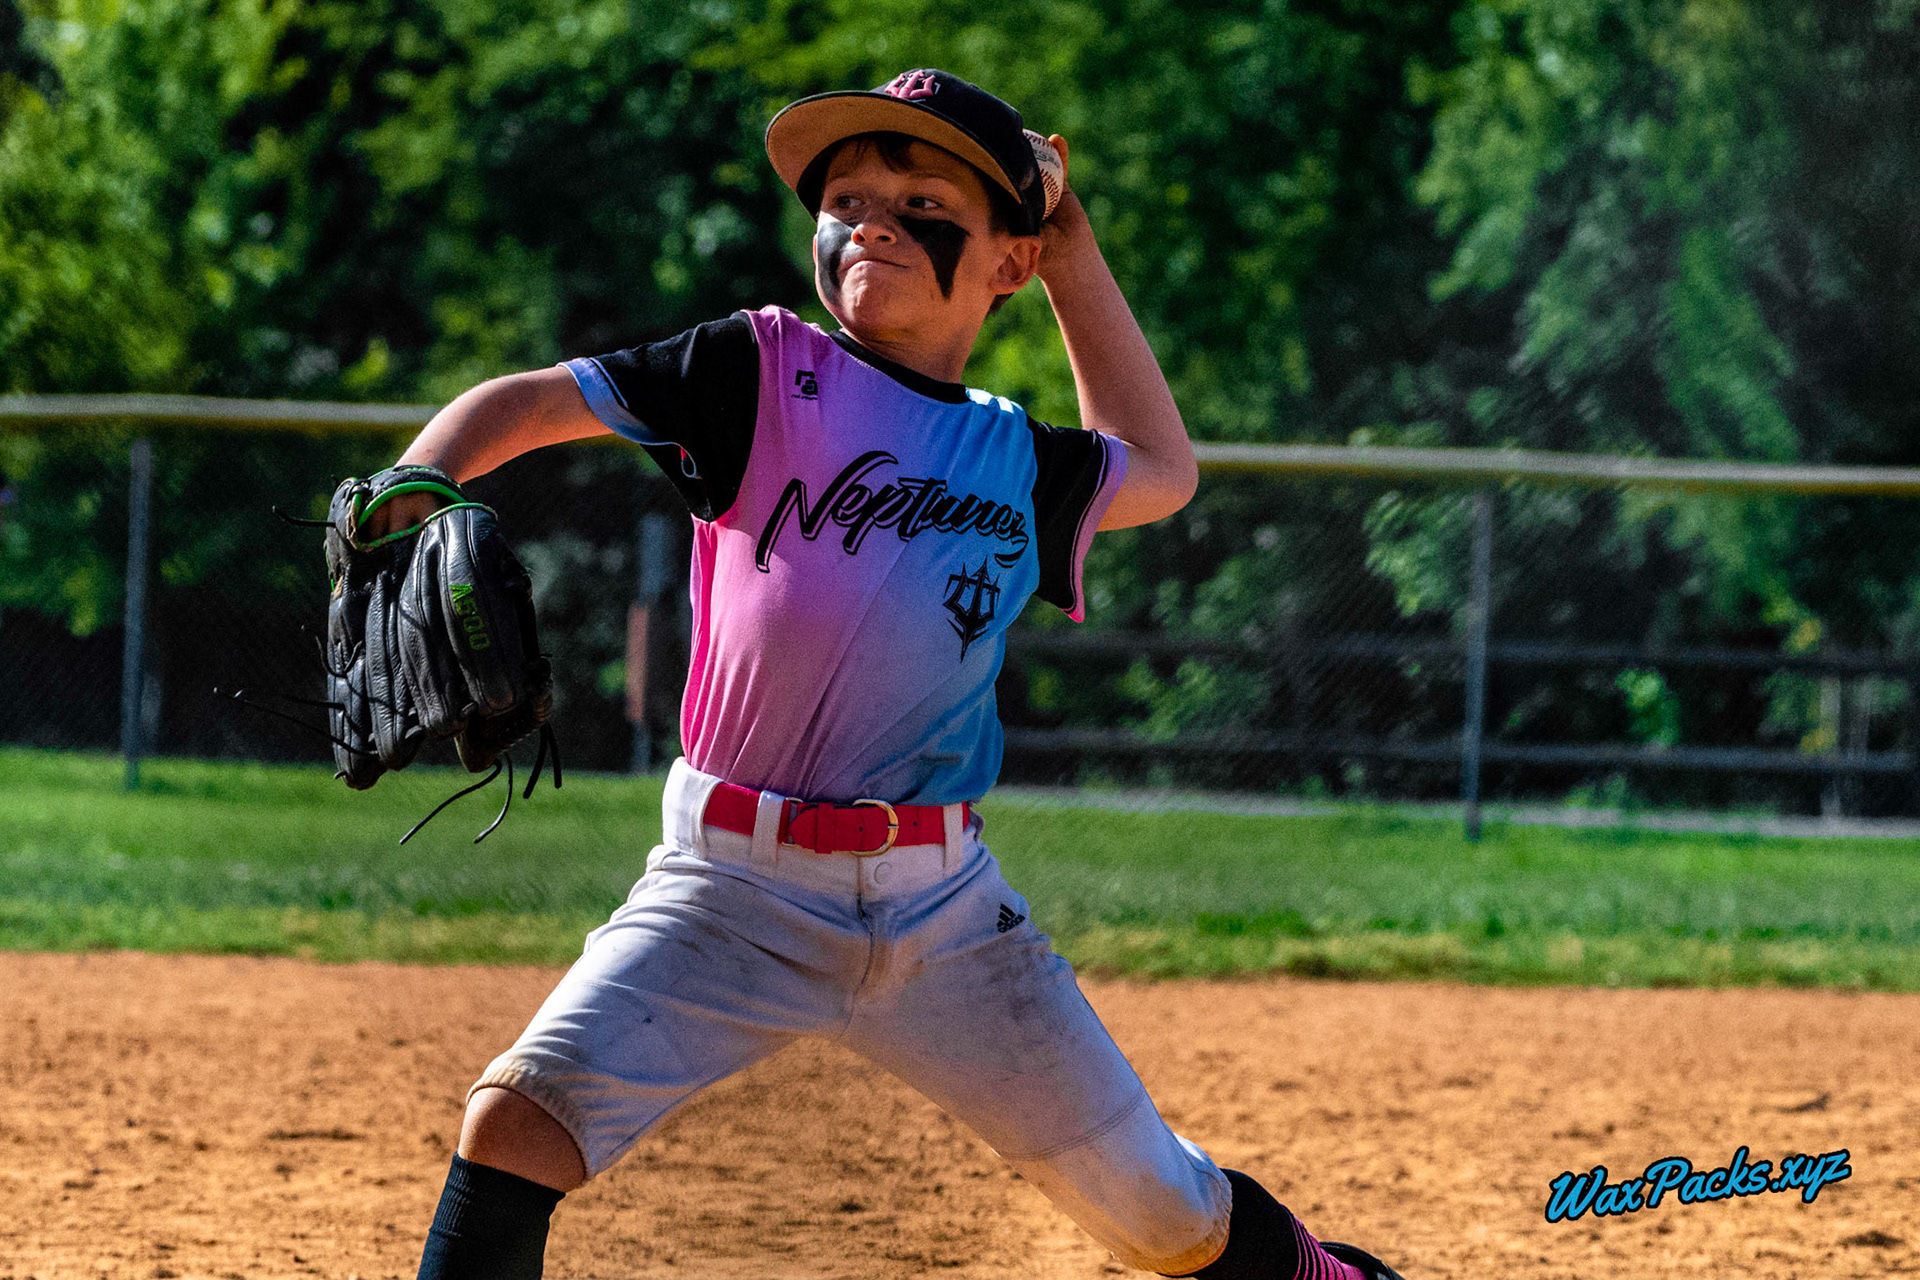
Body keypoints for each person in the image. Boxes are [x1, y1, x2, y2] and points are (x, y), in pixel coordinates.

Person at [374, 68, 1406, 1280]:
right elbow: (533, 401)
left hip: (943, 913)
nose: (870, 216)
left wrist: (1070, 242)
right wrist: (419, 480)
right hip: (726, 889)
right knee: (518, 1121)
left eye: (922, 199)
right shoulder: (759, 369)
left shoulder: (1016, 454)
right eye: (847, 194)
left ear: (1005, 264)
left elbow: (1164, 469)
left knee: (1167, 1213)